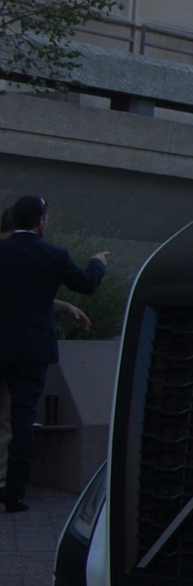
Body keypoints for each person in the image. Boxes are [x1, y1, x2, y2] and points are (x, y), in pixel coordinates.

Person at [0, 196, 106, 512]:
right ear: (41, 222)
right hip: (32, 350)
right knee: (23, 421)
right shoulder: (54, 255)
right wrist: (98, 262)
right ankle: (14, 494)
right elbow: (87, 284)